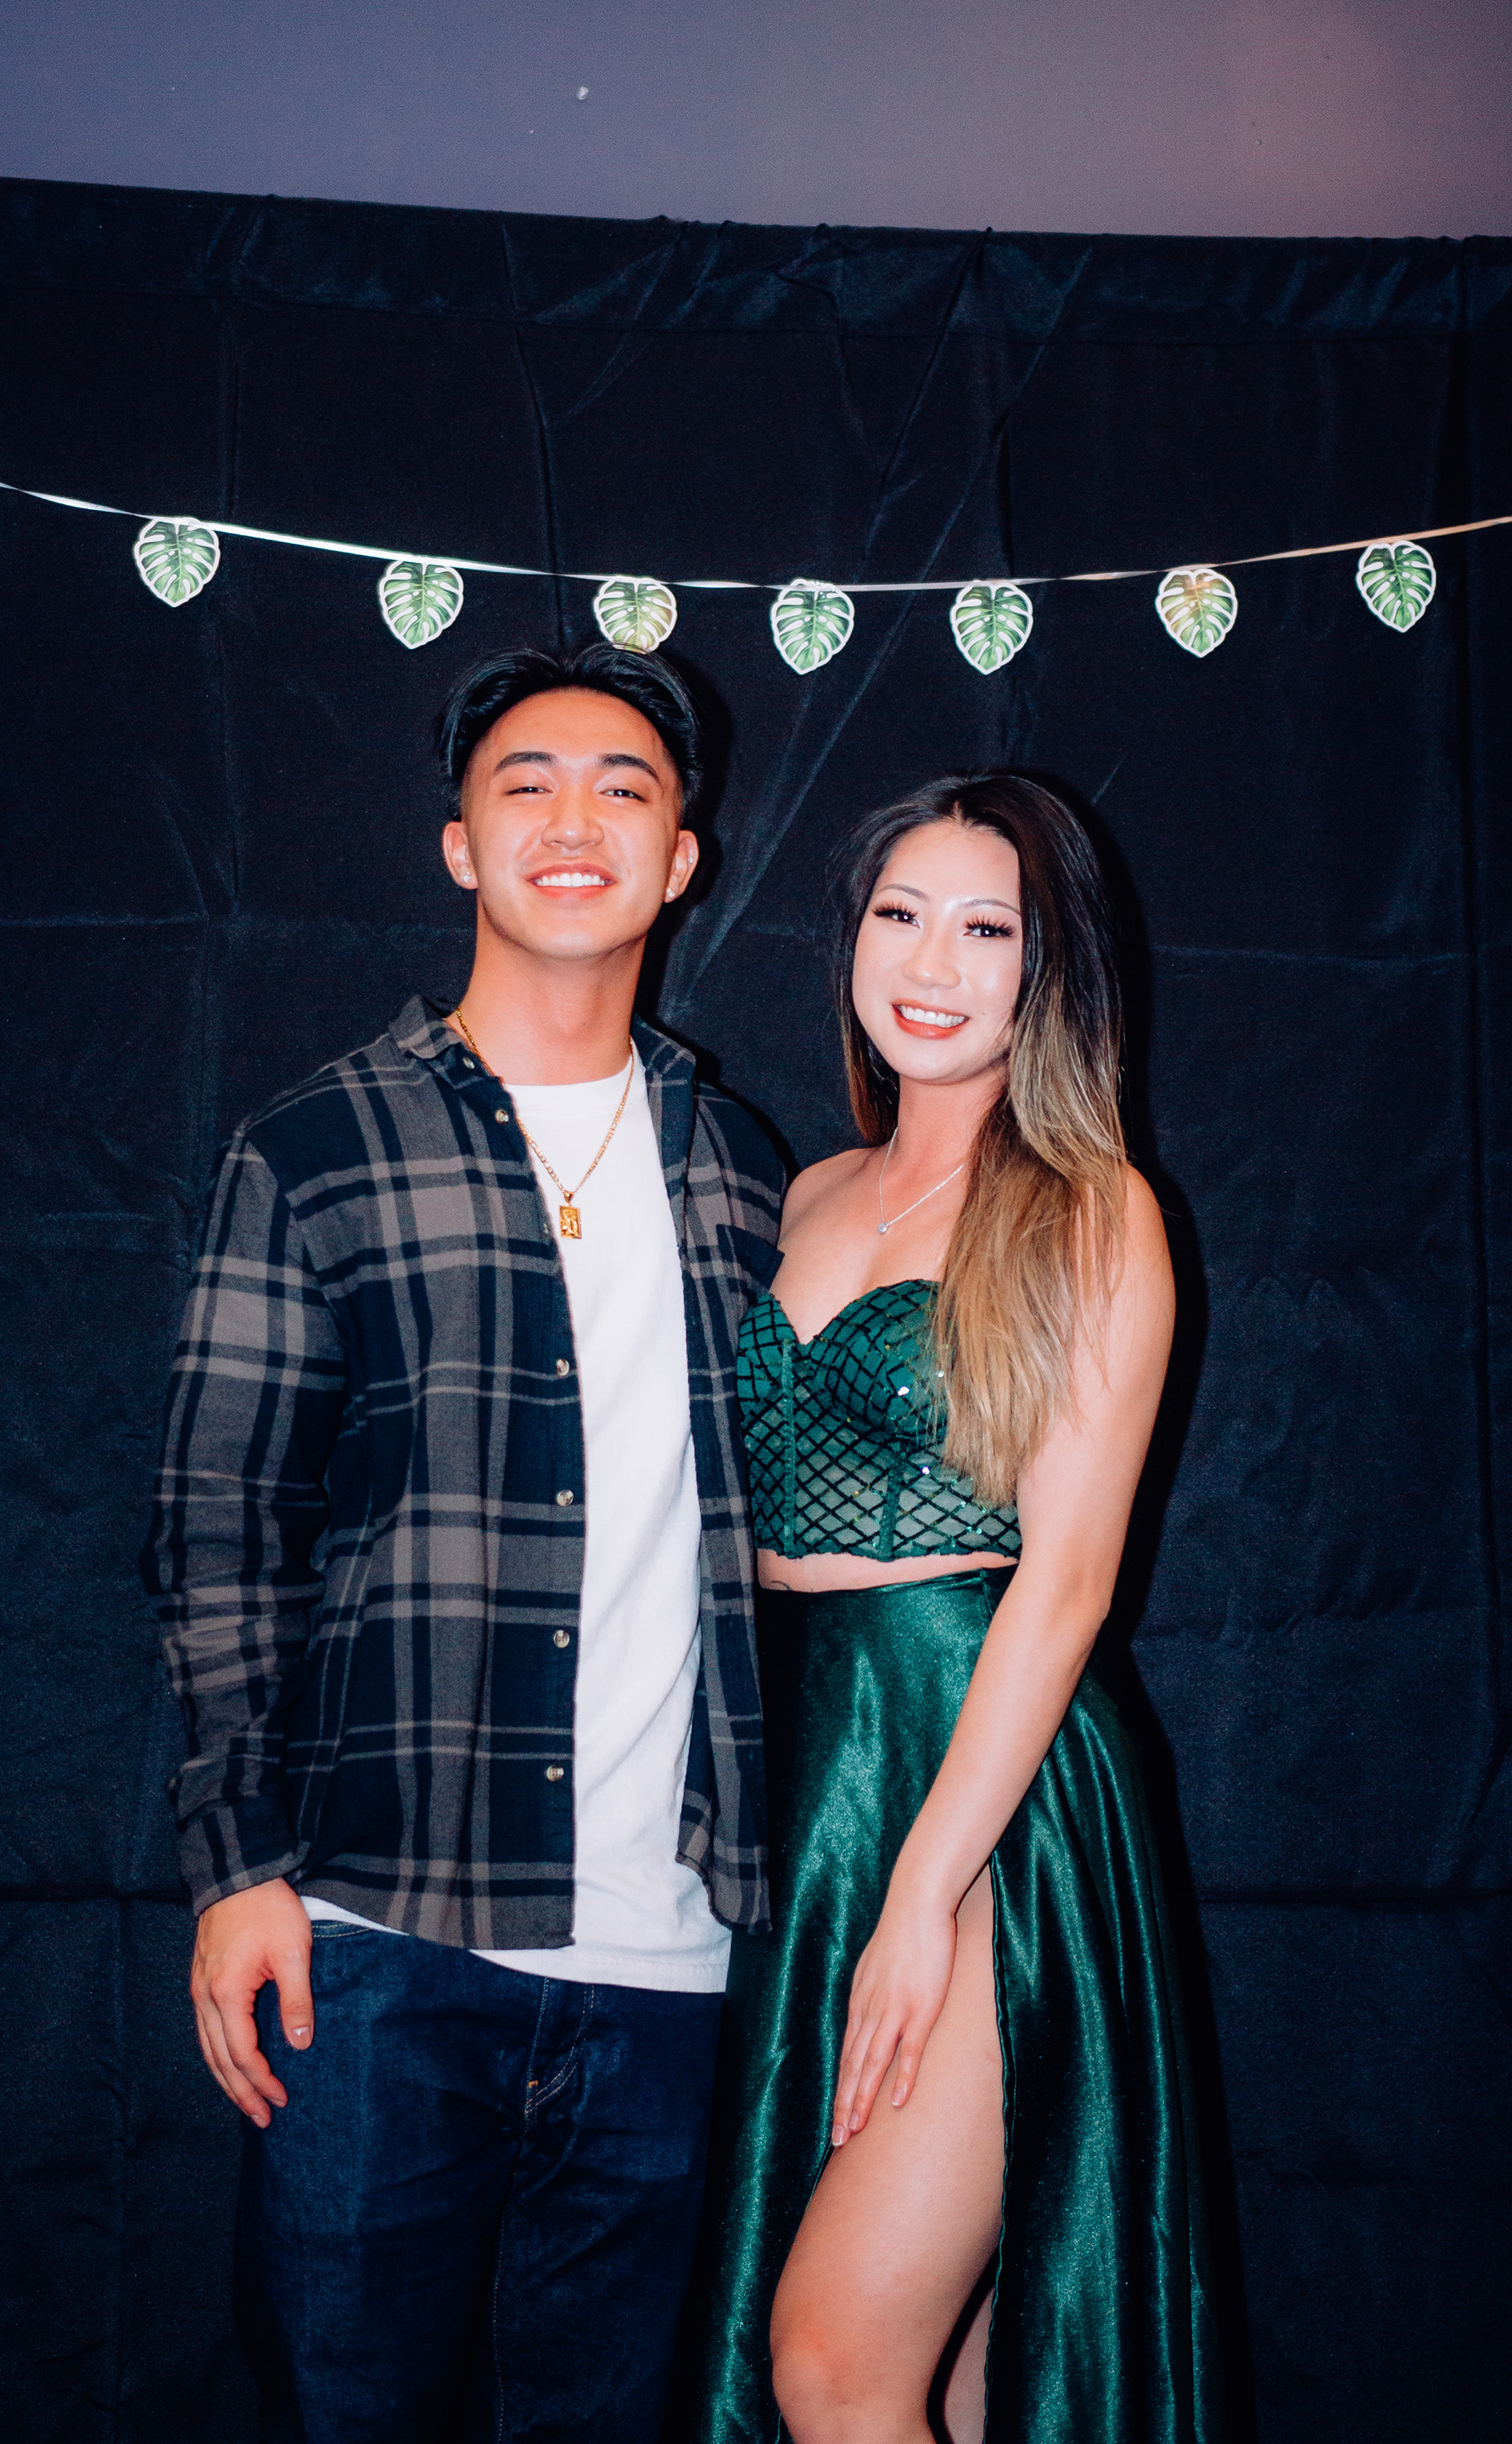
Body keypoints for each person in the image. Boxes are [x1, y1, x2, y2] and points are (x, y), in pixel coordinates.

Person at [142, 642, 784, 2444]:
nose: (575, 818)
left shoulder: (742, 1171)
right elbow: (216, 1526)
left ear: (682, 859)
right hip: (382, 1942)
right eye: (527, 783)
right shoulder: (316, 1147)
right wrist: (235, 1870)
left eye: (624, 788)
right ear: (458, 846)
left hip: (674, 1964)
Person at [682, 775, 1220, 2443]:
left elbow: (1069, 1585)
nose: (933, 961)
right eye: (899, 914)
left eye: (990, 928)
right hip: (812, 1781)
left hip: (998, 1791)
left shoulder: (1090, 1207)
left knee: (834, 2360)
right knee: (956, 2373)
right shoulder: (802, 1194)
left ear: (1052, 968)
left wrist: (927, 1893)